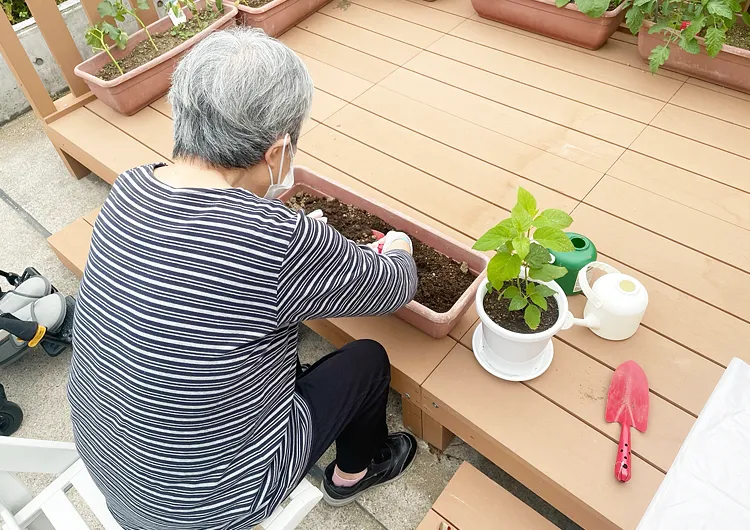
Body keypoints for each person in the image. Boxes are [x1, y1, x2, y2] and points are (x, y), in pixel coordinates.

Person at [68, 27, 419, 529]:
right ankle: (352, 472)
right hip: (212, 504)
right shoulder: (274, 241)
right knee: (367, 362)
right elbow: (394, 285)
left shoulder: (129, 189)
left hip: (113, 465)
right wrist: (400, 247)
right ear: (276, 151)